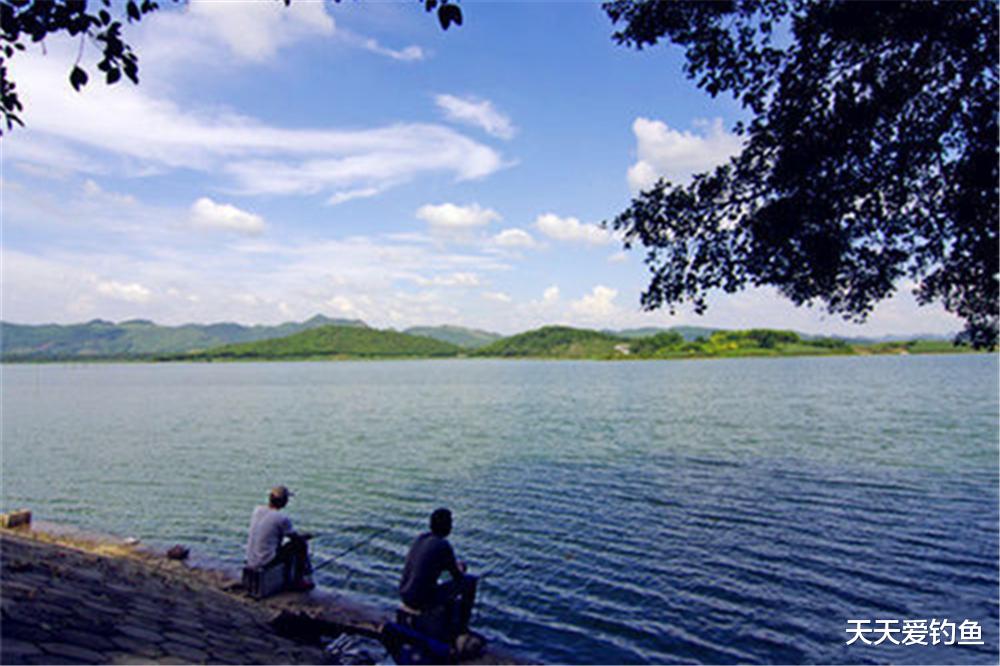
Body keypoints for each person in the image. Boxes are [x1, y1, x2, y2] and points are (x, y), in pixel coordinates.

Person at [398, 508, 477, 637]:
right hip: (419, 600)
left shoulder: (420, 538)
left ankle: (448, 619)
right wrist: (461, 567)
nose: (451, 526)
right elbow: (457, 576)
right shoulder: (443, 545)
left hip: (404, 593)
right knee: (470, 582)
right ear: (446, 526)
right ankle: (462, 628)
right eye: (450, 523)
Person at [245, 485, 314, 591]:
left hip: (251, 559)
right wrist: (305, 537)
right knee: (300, 545)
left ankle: (290, 577)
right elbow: (295, 538)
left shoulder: (257, 510)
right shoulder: (282, 518)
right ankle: (297, 581)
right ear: (284, 501)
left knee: (288, 546)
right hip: (265, 560)